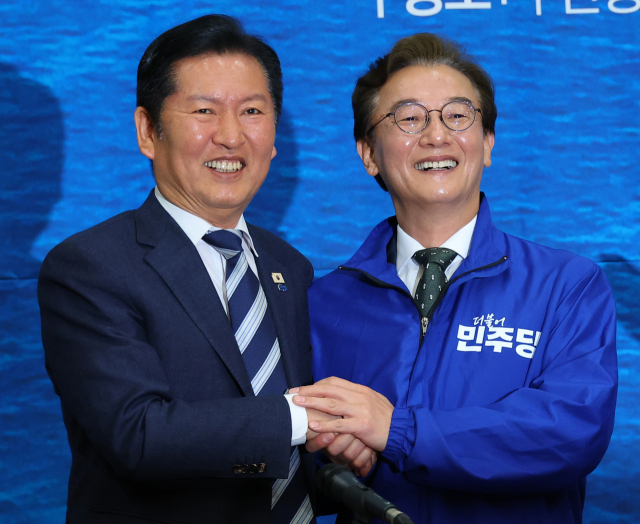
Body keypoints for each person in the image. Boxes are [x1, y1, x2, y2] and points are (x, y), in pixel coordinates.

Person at [291, 33, 618, 524]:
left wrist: (397, 431)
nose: (436, 136)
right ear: (368, 153)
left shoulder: (567, 286)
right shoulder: (324, 302)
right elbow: (287, 464)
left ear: (487, 143)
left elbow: (572, 431)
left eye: (458, 115)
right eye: (409, 118)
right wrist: (333, 459)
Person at [38, 14, 351, 524]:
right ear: (148, 131)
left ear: (274, 135)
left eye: (252, 111)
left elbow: (288, 458)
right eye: (204, 110)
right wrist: (304, 419)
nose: (230, 136)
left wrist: (344, 450)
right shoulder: (89, 267)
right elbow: (139, 434)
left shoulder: (289, 267)